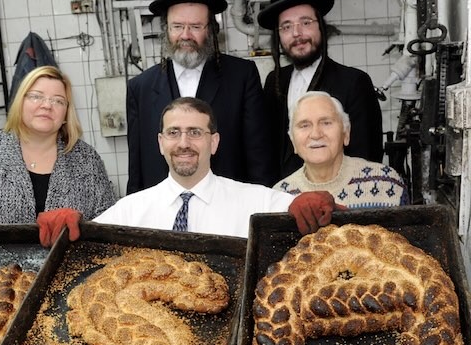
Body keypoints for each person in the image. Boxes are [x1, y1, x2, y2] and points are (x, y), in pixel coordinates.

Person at [37, 97, 339, 246]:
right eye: (174, 133)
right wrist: (69, 227)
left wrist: (316, 205)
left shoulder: (256, 202)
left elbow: (316, 216)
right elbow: (85, 239)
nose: (183, 143)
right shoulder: (130, 211)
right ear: (161, 143)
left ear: (214, 142)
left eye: (195, 132)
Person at [126, 0, 276, 195]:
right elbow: (137, 172)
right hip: (162, 212)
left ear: (211, 29)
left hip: (228, 206)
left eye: (195, 26)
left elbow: (259, 159)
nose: (186, 35)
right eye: (177, 26)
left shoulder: (241, 76)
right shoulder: (140, 88)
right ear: (166, 29)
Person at [0, 65, 116, 224]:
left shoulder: (87, 159)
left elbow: (107, 222)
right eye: (36, 96)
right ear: (20, 103)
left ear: (66, 113)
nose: (47, 105)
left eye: (58, 101)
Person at [258, 0, 384, 180]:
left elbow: (366, 156)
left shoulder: (354, 82)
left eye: (306, 22)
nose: (296, 33)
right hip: (283, 195)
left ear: (321, 28)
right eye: (287, 26)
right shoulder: (274, 81)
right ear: (279, 35)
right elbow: (269, 149)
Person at [274, 91, 408, 208]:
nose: (315, 134)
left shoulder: (386, 183)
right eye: (304, 125)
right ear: (293, 140)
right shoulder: (279, 196)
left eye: (326, 123)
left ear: (346, 133)